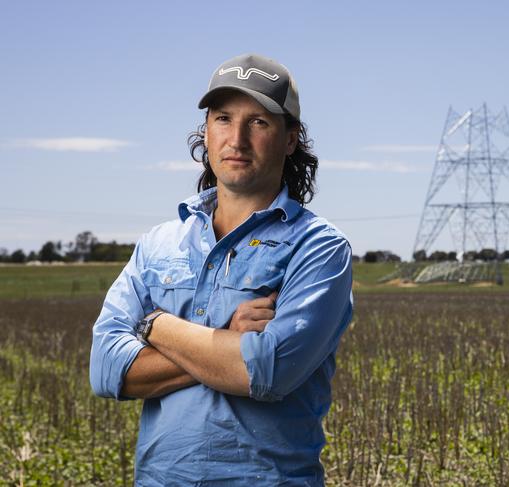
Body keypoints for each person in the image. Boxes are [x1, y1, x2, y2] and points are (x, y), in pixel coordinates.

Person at [89, 53, 353, 486]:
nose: (237, 139)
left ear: (290, 139)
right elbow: (106, 369)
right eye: (223, 119)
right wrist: (224, 337)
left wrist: (154, 325)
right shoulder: (159, 244)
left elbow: (265, 372)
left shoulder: (319, 248)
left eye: (259, 122)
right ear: (206, 132)